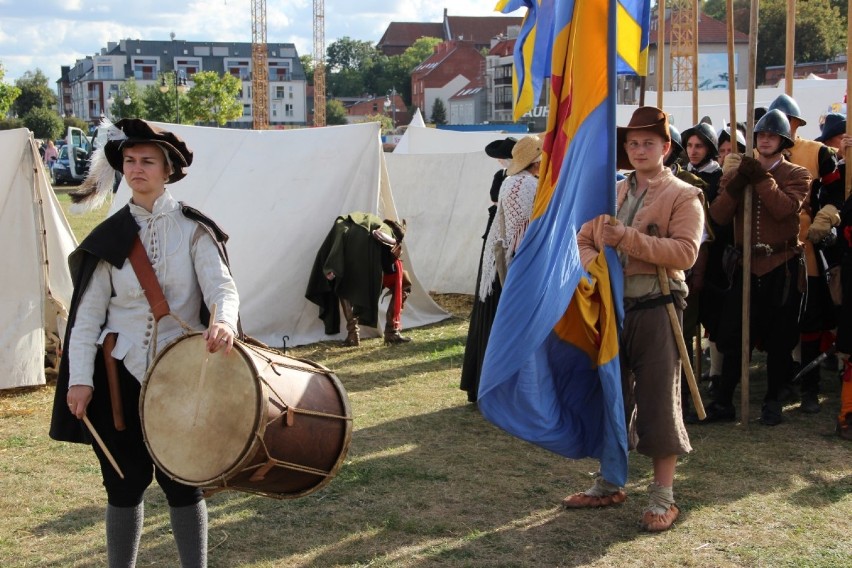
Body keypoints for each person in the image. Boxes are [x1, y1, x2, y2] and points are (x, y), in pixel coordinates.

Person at [49, 118, 241, 568]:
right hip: (118, 376)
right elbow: (87, 318)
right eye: (130, 161)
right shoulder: (110, 238)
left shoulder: (194, 229)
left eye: (147, 161)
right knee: (123, 482)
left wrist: (224, 321)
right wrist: (79, 380)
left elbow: (222, 289)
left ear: (168, 170)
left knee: (183, 482)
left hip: (182, 375)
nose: (137, 169)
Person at [568, 107, 704, 533]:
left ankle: (663, 496)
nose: (640, 149)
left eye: (649, 143)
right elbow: (584, 238)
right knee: (612, 398)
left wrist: (626, 239)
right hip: (613, 312)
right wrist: (597, 264)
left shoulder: (684, 194)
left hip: (657, 307)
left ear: (666, 148)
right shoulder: (613, 192)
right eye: (633, 143)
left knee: (659, 401)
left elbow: (685, 253)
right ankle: (609, 481)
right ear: (625, 150)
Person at [703, 109, 811, 426]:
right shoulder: (736, 173)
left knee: (780, 339)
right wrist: (737, 184)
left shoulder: (797, 174)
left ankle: (773, 402)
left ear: (783, 140)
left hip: (783, 265)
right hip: (746, 265)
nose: (765, 140)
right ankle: (723, 402)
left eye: (771, 135)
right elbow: (719, 217)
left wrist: (761, 178)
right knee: (735, 336)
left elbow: (784, 209)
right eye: (761, 135)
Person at [768, 94, 842, 413]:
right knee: (777, 318)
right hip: (769, 244)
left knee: (810, 317)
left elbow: (837, 191)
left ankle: (810, 386)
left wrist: (826, 215)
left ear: (797, 124)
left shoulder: (818, 152)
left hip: (805, 241)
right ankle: (780, 382)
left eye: (789, 121)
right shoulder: (759, 156)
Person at [460, 137, 517, 403]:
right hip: (496, 244)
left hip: (502, 244)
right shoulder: (504, 176)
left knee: (495, 307)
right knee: (490, 305)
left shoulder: (515, 179)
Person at [306, 213, 411, 346]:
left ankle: (352, 334)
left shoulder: (359, 223)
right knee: (405, 284)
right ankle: (391, 332)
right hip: (369, 269)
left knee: (342, 286)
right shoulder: (384, 229)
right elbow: (390, 267)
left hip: (355, 266)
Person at [478, 134, 542, 302]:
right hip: (526, 251)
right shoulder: (531, 184)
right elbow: (530, 223)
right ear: (536, 162)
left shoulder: (509, 181)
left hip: (509, 248)